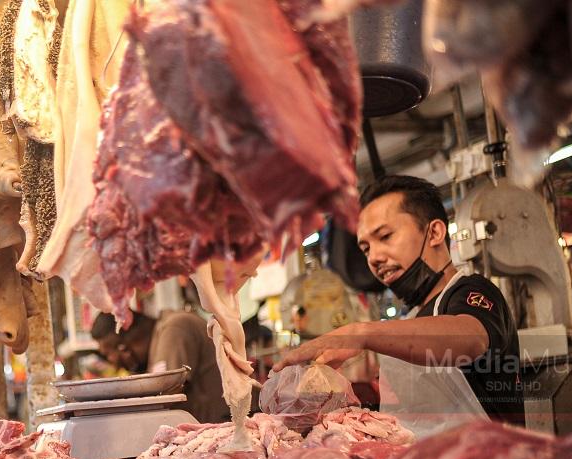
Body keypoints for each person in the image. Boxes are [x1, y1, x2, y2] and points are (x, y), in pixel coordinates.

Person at [275, 175, 524, 424]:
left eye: (385, 236)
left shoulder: (470, 291)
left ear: (435, 233)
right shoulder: (413, 316)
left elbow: (472, 338)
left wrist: (361, 333)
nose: (374, 257)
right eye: (366, 248)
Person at [91, 310, 230, 423]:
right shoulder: (158, 340)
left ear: (123, 348)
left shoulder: (174, 328)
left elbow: (167, 394)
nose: (112, 362)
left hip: (223, 430)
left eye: (108, 354)